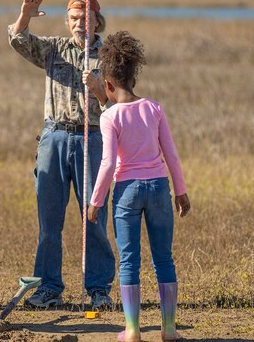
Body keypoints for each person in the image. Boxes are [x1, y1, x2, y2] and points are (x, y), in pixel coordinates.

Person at [8, 0, 116, 309]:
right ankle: (48, 289)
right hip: (54, 137)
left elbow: (120, 105)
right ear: (67, 22)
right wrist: (25, 13)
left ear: (97, 20)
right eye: (73, 19)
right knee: (49, 220)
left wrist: (98, 89)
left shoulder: (109, 56)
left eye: (85, 18)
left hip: (93, 139)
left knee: (93, 217)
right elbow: (18, 40)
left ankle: (99, 290)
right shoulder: (54, 48)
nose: (80, 24)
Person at [87, 31, 191, 342]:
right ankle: (169, 330)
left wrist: (95, 201)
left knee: (129, 258)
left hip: (127, 192)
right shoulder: (154, 108)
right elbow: (170, 154)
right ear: (134, 77)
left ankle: (132, 330)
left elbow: (107, 164)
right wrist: (182, 191)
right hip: (159, 187)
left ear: (107, 85)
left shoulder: (109, 116)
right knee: (164, 258)